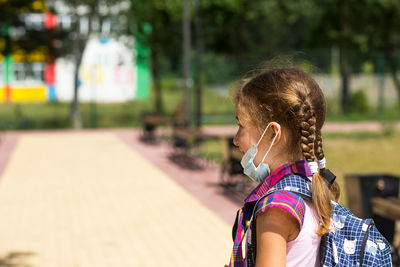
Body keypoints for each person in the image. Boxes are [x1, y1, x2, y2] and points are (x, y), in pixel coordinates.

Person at [228, 67, 341, 267]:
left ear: (273, 133)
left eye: (241, 126)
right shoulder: (310, 188)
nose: (236, 140)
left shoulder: (276, 209)